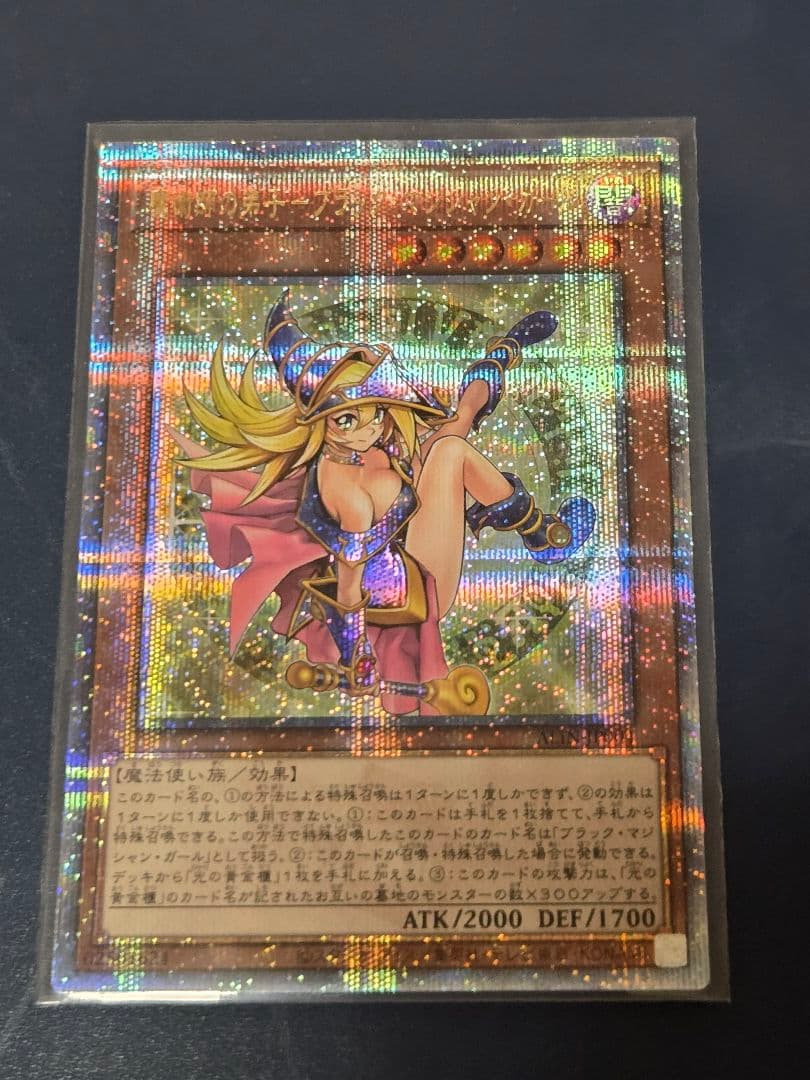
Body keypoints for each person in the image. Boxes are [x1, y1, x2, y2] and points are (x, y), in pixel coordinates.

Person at [174, 291, 594, 715]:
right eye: (346, 420)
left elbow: (409, 439)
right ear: (319, 421)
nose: (368, 428)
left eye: (374, 411)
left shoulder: (364, 447)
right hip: (417, 587)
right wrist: (355, 654)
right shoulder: (347, 493)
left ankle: (500, 354)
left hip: (407, 542)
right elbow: (349, 585)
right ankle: (542, 535)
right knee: (450, 450)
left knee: (456, 424)